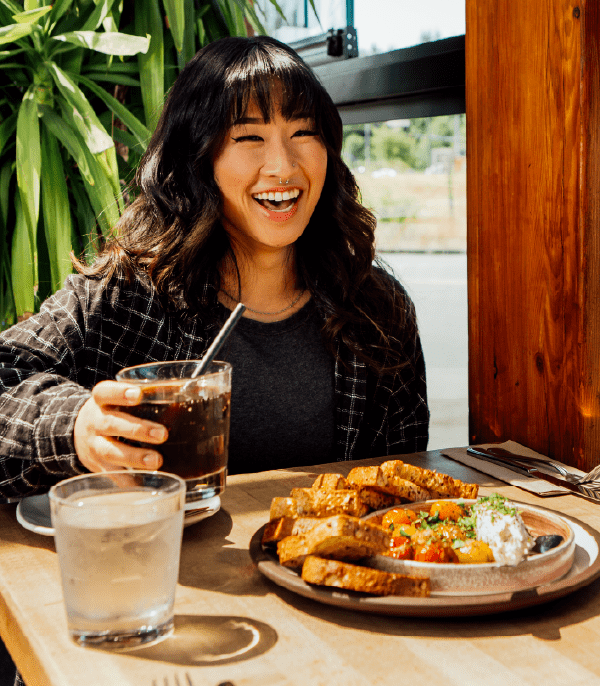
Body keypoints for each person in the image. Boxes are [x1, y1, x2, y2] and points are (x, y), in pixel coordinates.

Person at [0, 35, 429, 500]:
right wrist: (77, 427)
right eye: (248, 137)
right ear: (197, 160)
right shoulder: (125, 298)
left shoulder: (377, 311)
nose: (283, 166)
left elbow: (403, 489)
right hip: (161, 569)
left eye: (304, 132)